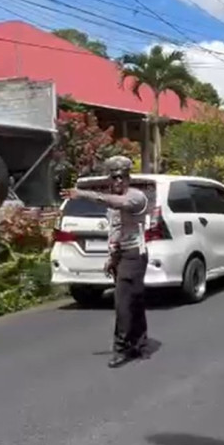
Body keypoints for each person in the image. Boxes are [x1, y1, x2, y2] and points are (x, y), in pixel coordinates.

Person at [61, 155, 151, 369]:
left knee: (124, 302)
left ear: (128, 179)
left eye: (122, 177)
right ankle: (139, 343)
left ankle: (121, 348)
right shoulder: (112, 205)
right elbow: (115, 231)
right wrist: (111, 257)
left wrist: (82, 194)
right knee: (132, 301)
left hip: (135, 255)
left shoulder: (137, 197)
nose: (118, 182)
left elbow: (117, 202)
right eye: (114, 178)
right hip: (122, 255)